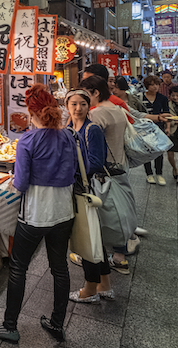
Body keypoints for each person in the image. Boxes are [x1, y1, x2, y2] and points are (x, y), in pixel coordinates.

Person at [0, 85, 75, 343]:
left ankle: (10, 326)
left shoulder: (27, 141)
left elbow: (20, 184)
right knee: (59, 268)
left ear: (32, 112)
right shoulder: (68, 136)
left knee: (18, 268)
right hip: (64, 212)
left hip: (35, 214)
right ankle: (57, 324)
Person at [78, 75, 136, 273]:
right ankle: (120, 255)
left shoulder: (97, 114)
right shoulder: (117, 109)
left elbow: (87, 144)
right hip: (120, 165)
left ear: (95, 92)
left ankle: (96, 253)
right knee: (118, 209)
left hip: (103, 171)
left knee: (104, 213)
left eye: (86, 95)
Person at [64, 90, 114, 303]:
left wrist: (68, 168)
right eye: (73, 104)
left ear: (88, 106)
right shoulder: (69, 128)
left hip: (86, 190)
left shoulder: (91, 129)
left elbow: (96, 162)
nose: (78, 108)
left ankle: (90, 289)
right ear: (67, 106)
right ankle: (105, 285)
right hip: (77, 189)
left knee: (87, 239)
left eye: (82, 104)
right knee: (94, 237)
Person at [142, 75, 170, 185]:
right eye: (152, 85)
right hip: (144, 128)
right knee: (146, 151)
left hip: (159, 128)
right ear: (147, 86)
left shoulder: (162, 98)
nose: (155, 87)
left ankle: (159, 174)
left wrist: (167, 127)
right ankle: (149, 174)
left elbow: (167, 114)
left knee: (159, 151)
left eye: (157, 84)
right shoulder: (141, 97)